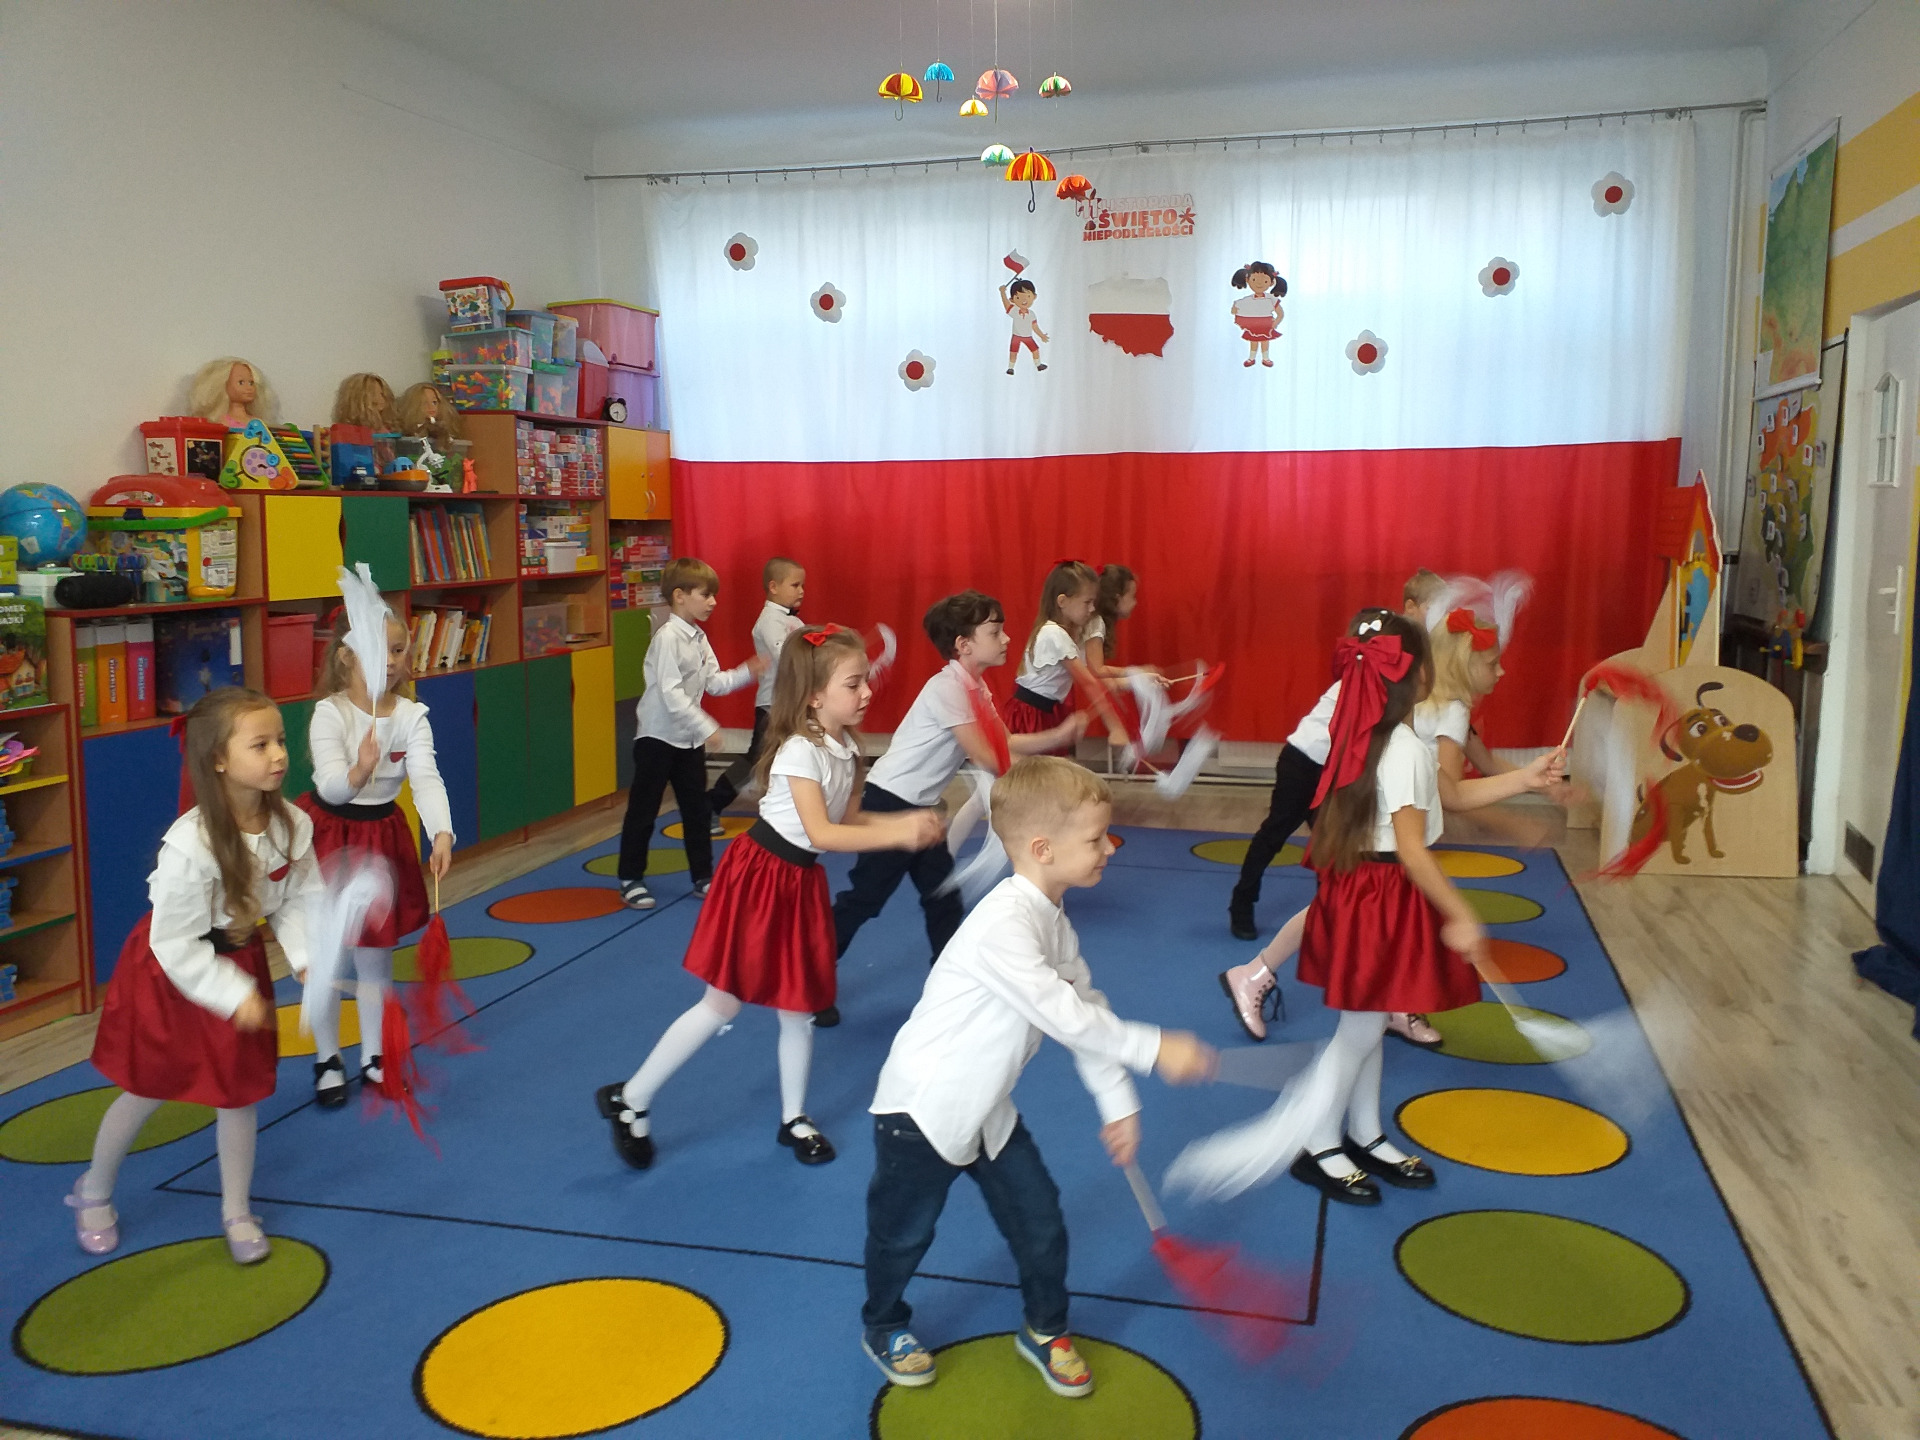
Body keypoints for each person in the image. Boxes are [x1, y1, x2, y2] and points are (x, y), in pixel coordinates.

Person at [859, 757, 1215, 1395]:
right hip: (922, 1110)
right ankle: (884, 1323)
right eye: (1096, 838)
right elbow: (1064, 1016)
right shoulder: (1002, 926)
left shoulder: (1054, 923)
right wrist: (1158, 1048)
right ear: (1043, 849)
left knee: (1041, 1221)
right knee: (902, 1234)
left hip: (988, 1108)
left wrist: (1119, 1105)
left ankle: (1045, 1328)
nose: (1110, 847)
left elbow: (1087, 1008)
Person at [596, 627, 943, 1170]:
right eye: (854, 683)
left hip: (799, 882)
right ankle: (632, 1099)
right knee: (721, 1003)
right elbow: (823, 832)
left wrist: (905, 822)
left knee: (798, 1006)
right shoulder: (800, 751)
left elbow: (850, 819)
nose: (868, 691)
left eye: (864, 681)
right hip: (759, 877)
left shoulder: (849, 749)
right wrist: (901, 833)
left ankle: (793, 1118)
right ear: (815, 695)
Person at [75, 689, 321, 1264]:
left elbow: (298, 896)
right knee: (146, 1088)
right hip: (171, 973)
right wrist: (233, 996)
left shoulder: (292, 824)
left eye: (280, 740)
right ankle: (94, 1190)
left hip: (238, 960)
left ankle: (236, 1210)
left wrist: (307, 955)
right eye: (259, 745)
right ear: (218, 760)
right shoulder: (190, 845)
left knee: (237, 1094)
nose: (278, 754)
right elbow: (175, 943)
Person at [826, 591, 1087, 1025]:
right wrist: (1050, 772)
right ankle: (810, 982)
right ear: (964, 645)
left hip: (921, 809)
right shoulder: (947, 687)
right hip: (890, 804)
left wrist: (1057, 735)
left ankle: (948, 987)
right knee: (864, 901)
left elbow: (1004, 742)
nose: (1007, 639)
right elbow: (986, 755)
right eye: (995, 632)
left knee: (942, 899)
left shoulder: (975, 686)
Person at [1225, 569, 1447, 944]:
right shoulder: (1376, 669)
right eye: (1435, 607)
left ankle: (1331, 916)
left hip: (1339, 765)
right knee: (1276, 832)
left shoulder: (1400, 672)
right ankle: (1242, 902)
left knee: (1335, 847)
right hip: (1305, 759)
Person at [300, 604, 455, 1105]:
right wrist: (359, 772)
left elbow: (426, 777)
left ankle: (375, 1055)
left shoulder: (411, 716)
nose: (390, 661)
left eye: (397, 649)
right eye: (376, 651)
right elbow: (330, 784)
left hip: (382, 838)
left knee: (374, 956)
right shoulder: (330, 713)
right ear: (347, 657)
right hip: (328, 834)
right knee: (327, 955)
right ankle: (327, 1057)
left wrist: (441, 831)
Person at [616, 558, 767, 910]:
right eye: (705, 594)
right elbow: (670, 694)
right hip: (657, 739)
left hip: (687, 741)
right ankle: (630, 877)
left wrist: (747, 672)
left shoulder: (698, 638)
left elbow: (713, 682)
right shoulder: (668, 639)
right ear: (680, 596)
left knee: (696, 810)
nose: (713, 602)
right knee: (643, 810)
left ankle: (703, 875)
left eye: (713, 595)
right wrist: (707, 726)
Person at [706, 556, 807, 829]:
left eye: (802, 586)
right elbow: (787, 655)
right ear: (773, 587)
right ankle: (711, 804)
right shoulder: (769, 620)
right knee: (755, 760)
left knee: (795, 756)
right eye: (795, 585)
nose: (801, 591)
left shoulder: (794, 622)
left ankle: (796, 809)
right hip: (772, 705)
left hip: (793, 703)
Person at [1005, 560, 1100, 751]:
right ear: (1062, 601)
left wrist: (1134, 680)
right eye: (1087, 602)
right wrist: (1115, 726)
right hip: (1031, 716)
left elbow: (1094, 676)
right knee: (1037, 769)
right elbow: (1089, 683)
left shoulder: (1064, 633)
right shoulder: (1054, 634)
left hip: (1046, 712)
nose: (1092, 609)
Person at [1229, 261, 1287, 368]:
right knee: (1253, 341)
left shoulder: (1271, 299)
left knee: (1265, 341)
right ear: (1247, 280)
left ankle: (1265, 358)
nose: (1259, 284)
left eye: (1265, 281)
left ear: (1271, 283)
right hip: (1253, 325)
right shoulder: (1247, 300)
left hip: (1266, 324)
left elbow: (1280, 313)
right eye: (1254, 280)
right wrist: (1235, 309)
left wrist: (1276, 323)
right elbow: (1236, 308)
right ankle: (1252, 358)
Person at [999, 277, 1049, 374]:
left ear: (1034, 296)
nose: (1024, 300)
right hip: (1016, 336)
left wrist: (1041, 335)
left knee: (1035, 350)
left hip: (1027, 336)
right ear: (1012, 300)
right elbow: (1006, 305)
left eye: (1028, 296)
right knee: (1013, 352)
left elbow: (1034, 327)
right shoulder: (1014, 311)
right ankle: (1011, 368)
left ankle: (1038, 364)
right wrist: (1002, 293)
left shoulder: (1031, 314)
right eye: (1018, 297)